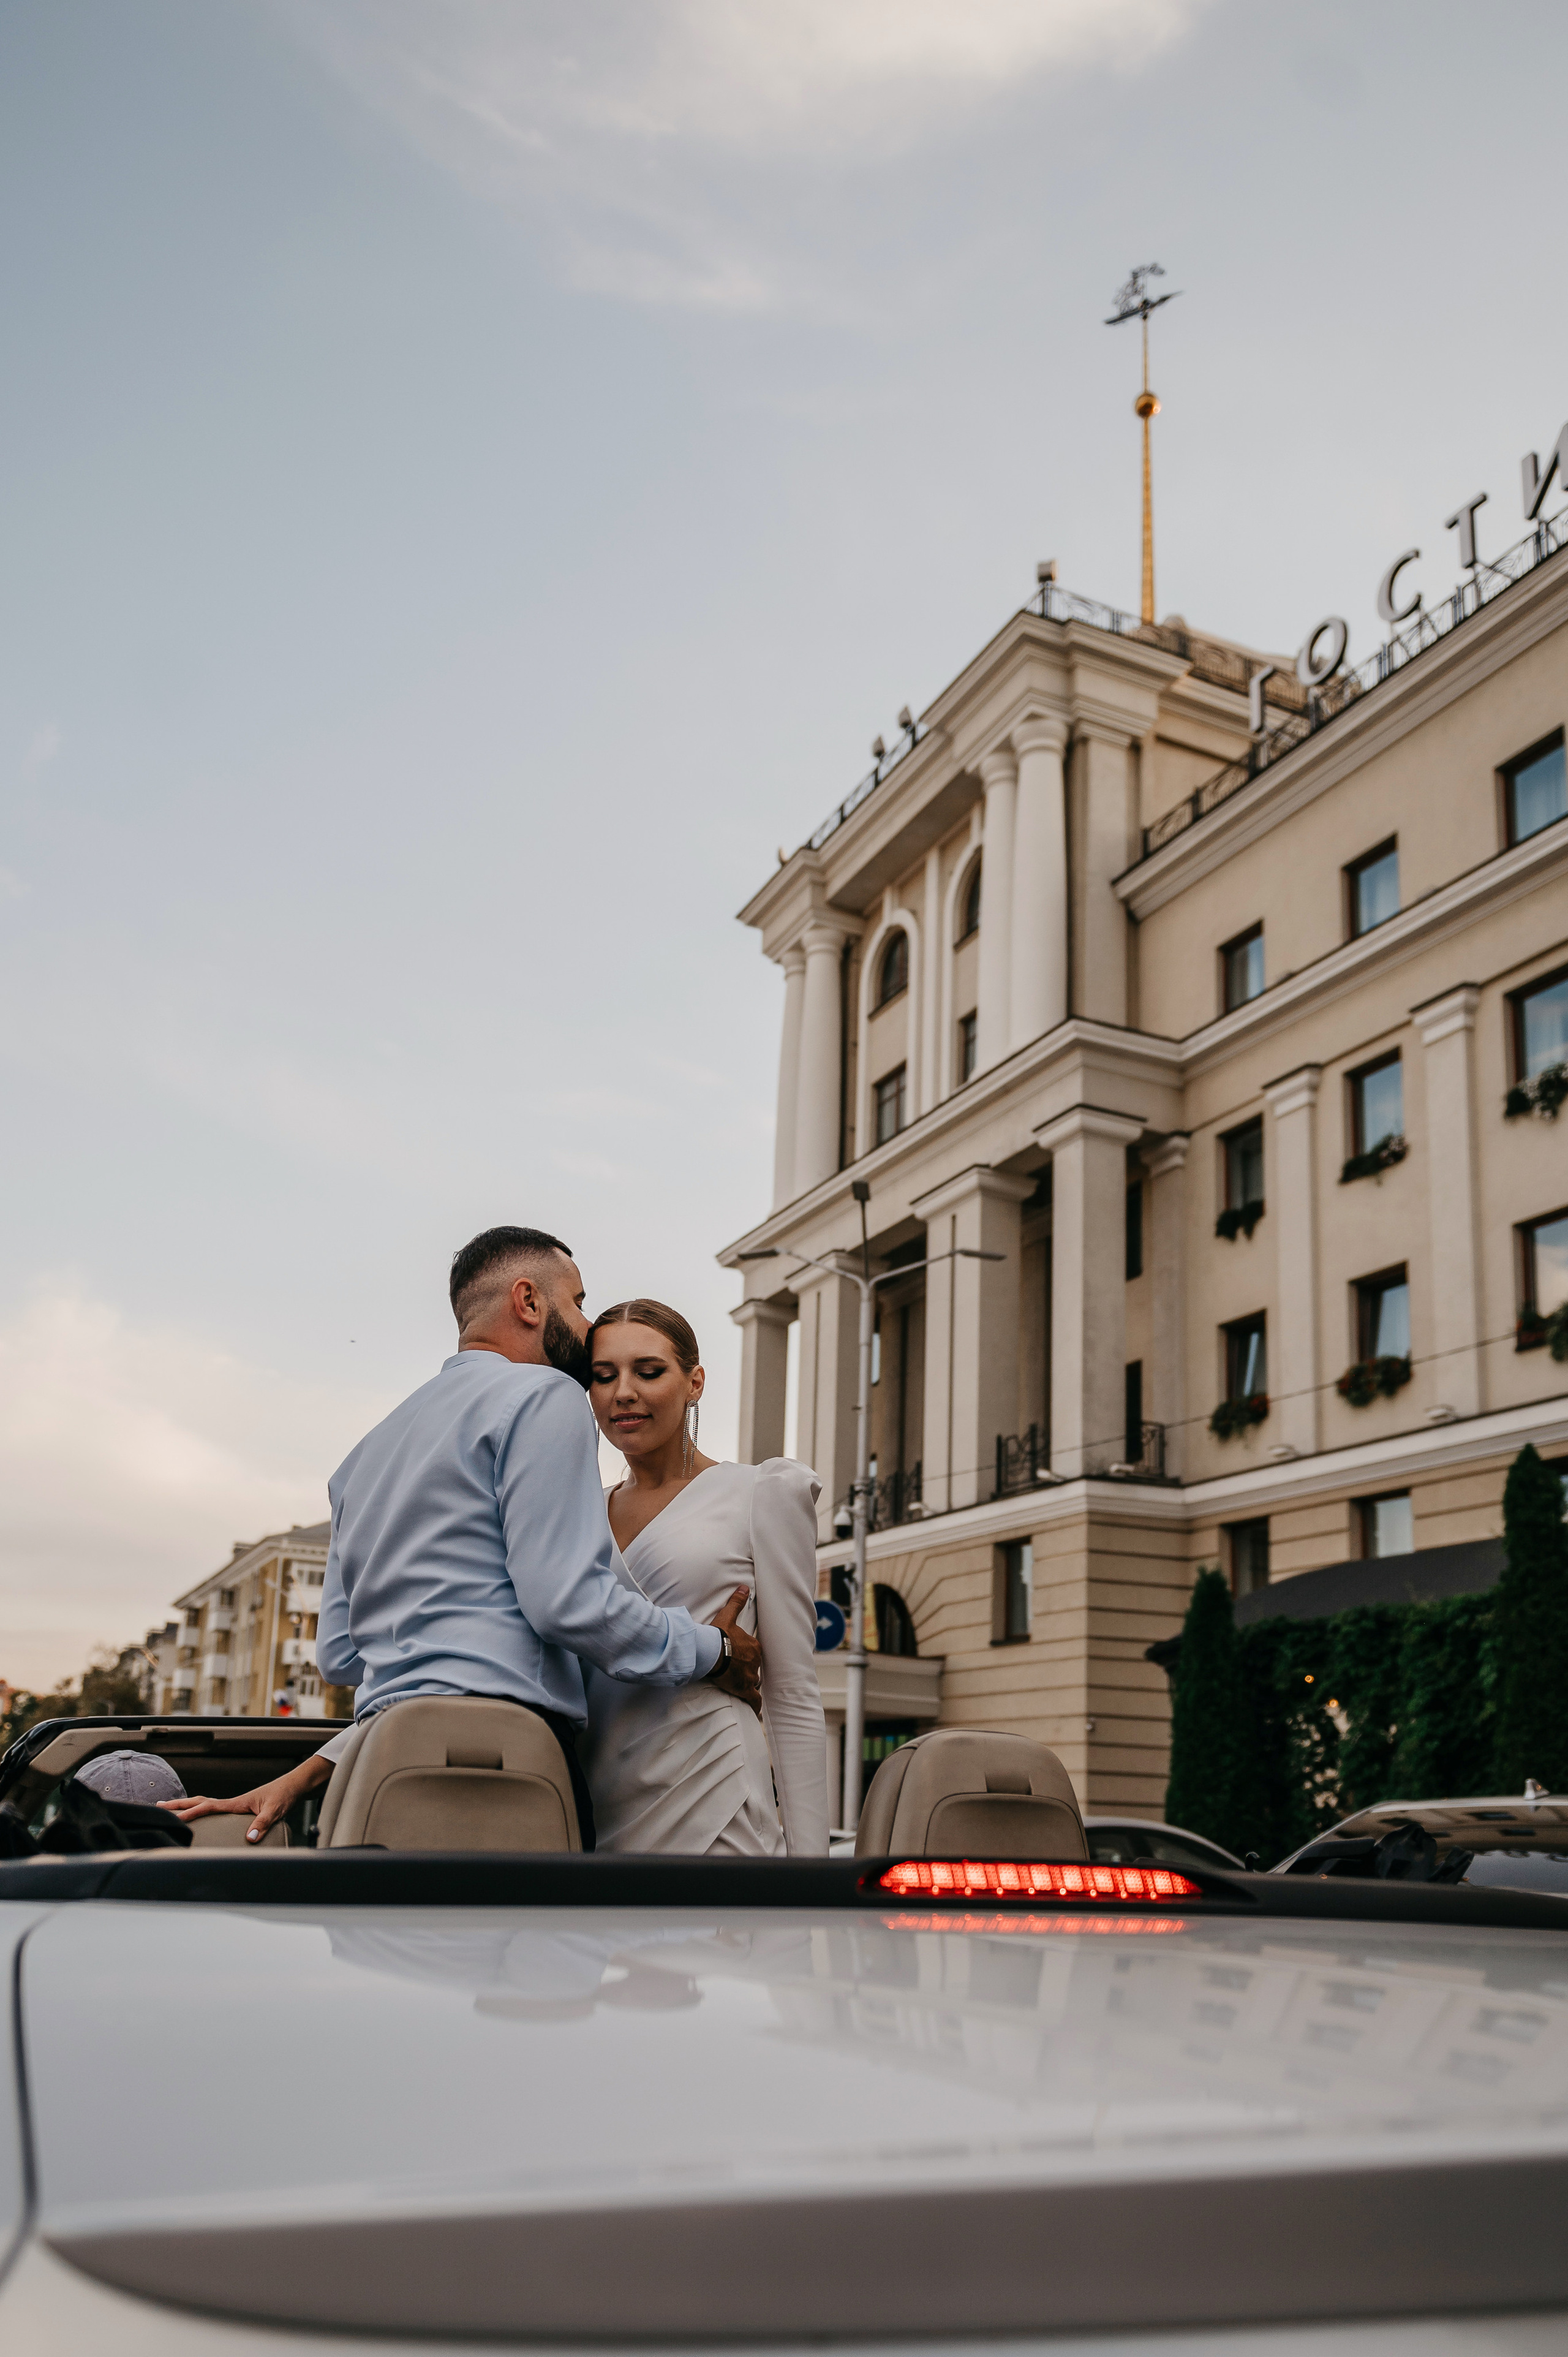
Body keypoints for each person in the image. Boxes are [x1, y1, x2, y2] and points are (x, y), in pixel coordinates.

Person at [164, 1228, 760, 1846]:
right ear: (529, 1302)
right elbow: (567, 1602)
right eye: (578, 1301)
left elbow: (340, 1658)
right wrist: (712, 1650)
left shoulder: (363, 1457)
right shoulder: (545, 1396)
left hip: (372, 1769)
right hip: (501, 1765)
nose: (586, 1327)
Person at [579, 1299, 829, 1856]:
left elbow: (792, 1692)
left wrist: (812, 1874)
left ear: (694, 1383)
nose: (624, 1392)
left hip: (716, 1797)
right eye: (604, 1375)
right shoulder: (577, 1518)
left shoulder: (762, 1493)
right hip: (596, 1807)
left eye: (649, 1371)